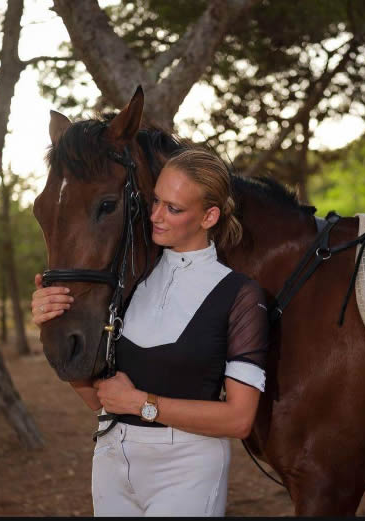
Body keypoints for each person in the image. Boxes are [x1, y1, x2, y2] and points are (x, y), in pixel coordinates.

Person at [31, 148, 269, 516]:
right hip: (111, 461)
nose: (155, 216)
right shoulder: (127, 282)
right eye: (155, 200)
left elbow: (239, 420)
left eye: (173, 208)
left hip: (186, 470)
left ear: (209, 216)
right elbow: (98, 399)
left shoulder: (240, 295)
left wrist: (140, 403)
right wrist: (55, 321)